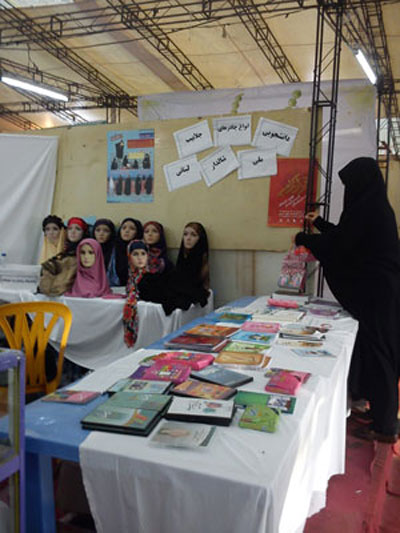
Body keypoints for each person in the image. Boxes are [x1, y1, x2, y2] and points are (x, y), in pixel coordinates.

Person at [295, 157, 400, 443]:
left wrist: (305, 238)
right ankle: (378, 410)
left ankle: (385, 427)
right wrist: (319, 224)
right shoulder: (374, 208)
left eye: (349, 185)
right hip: (381, 294)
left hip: (378, 296)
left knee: (380, 356)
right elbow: (347, 237)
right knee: (374, 351)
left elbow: (342, 246)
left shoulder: (369, 211)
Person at [108, 217, 143, 286]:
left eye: (132, 229)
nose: (127, 231)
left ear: (137, 232)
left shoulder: (142, 250)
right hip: (114, 288)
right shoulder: (112, 249)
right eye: (124, 228)